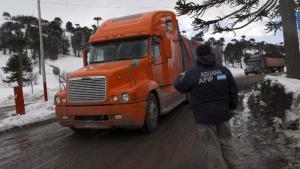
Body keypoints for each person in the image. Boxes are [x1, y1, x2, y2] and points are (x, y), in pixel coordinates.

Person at [174, 45, 242, 169]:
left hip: (204, 117)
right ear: (212, 55)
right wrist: (232, 108)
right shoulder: (224, 70)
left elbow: (179, 86)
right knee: (226, 142)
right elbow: (233, 91)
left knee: (212, 145)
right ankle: (236, 166)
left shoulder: (192, 74)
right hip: (223, 114)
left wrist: (181, 76)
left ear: (198, 56)